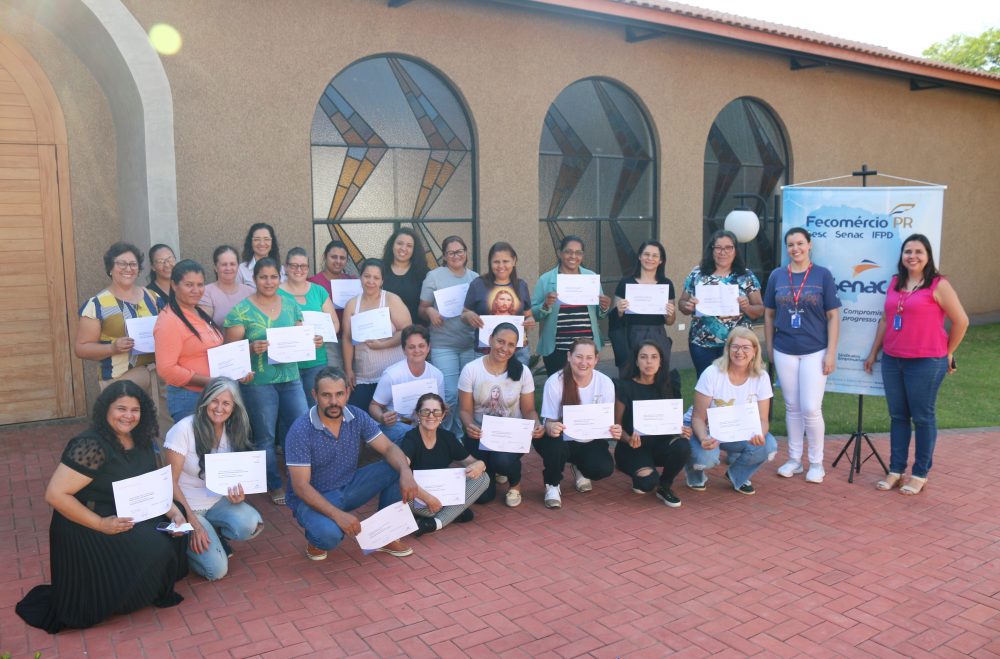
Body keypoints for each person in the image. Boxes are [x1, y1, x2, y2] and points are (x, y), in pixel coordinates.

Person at [15, 381, 189, 633]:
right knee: (154, 545)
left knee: (175, 524)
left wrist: (174, 513)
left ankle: (136, 589)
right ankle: (115, 596)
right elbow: (55, 495)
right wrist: (101, 524)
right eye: (121, 408)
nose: (128, 416)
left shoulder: (142, 440)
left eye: (135, 409)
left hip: (128, 510)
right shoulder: (91, 445)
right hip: (87, 520)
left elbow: (153, 486)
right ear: (106, 409)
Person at [864, 234, 968, 495]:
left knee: (922, 417)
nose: (912, 256)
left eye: (918, 251)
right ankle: (896, 470)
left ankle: (920, 473)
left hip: (925, 362)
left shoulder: (938, 284)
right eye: (908, 251)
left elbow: (961, 321)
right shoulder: (895, 282)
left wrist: (948, 352)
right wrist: (874, 351)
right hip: (892, 359)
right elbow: (887, 320)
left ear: (928, 255)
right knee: (898, 417)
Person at [285, 367, 419, 560]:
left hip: (349, 486)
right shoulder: (301, 430)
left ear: (347, 393)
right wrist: (338, 516)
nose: (333, 402)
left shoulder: (357, 416)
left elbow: (389, 448)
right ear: (315, 395)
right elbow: (301, 487)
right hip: (313, 498)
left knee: (397, 465)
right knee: (329, 536)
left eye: (339, 394)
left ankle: (386, 535)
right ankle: (316, 539)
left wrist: (406, 472)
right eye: (326, 395)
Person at [224, 258, 317, 505]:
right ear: (254, 280)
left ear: (280, 278)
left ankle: (301, 482)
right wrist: (250, 347)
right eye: (263, 277)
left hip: (291, 377)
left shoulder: (290, 305)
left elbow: (299, 339)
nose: (269, 282)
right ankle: (274, 483)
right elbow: (230, 351)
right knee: (265, 436)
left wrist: (311, 342)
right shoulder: (240, 311)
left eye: (274, 277)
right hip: (259, 383)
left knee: (299, 429)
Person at [164, 377, 263, 581]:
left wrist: (238, 496)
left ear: (234, 407)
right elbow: (168, 482)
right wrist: (194, 524)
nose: (219, 408)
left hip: (217, 501)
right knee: (216, 571)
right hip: (187, 508)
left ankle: (213, 534)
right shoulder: (184, 429)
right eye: (214, 401)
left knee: (251, 524)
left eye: (226, 403)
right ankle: (185, 543)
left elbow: (234, 475)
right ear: (204, 401)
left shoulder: (234, 430)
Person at [764, 228, 842, 484]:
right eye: (790, 244)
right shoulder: (777, 275)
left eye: (800, 243)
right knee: (792, 406)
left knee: (810, 407)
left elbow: (833, 315)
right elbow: (769, 314)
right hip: (785, 349)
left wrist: (831, 352)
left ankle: (816, 462)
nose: (795, 248)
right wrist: (770, 347)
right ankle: (795, 460)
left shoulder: (822, 275)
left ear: (809, 245)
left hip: (815, 350)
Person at [74, 242, 172, 435]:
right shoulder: (97, 304)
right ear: (110, 268)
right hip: (120, 380)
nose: (128, 269)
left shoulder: (152, 297)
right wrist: (113, 347)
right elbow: (81, 348)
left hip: (157, 378)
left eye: (133, 264)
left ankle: (162, 466)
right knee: (124, 435)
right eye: (121, 264)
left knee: (162, 431)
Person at [458, 322, 544, 507]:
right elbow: (465, 410)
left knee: (502, 460)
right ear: (490, 339)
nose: (504, 348)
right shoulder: (471, 370)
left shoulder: (523, 372)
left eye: (511, 344)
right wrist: (469, 425)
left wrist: (536, 423)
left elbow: (528, 410)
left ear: (516, 347)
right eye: (500, 341)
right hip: (480, 435)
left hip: (511, 436)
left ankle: (515, 484)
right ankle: (496, 470)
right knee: (483, 497)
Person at [685, 327, 777, 495]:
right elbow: (698, 417)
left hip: (737, 430)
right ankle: (695, 472)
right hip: (705, 428)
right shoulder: (712, 373)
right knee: (705, 459)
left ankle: (737, 475)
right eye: (735, 347)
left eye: (745, 347)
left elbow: (763, 419)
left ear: (755, 350)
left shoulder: (762, 377)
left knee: (768, 446)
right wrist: (704, 438)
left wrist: (760, 435)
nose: (739, 352)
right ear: (727, 349)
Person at [536, 338, 621, 509]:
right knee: (554, 445)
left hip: (590, 439)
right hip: (562, 439)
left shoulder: (605, 383)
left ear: (596, 360)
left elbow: (606, 420)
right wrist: (551, 426)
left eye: (589, 358)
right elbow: (549, 420)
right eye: (579, 357)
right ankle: (552, 484)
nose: (584, 362)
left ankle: (580, 467)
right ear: (569, 356)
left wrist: (614, 429)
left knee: (603, 468)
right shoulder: (555, 382)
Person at [614, 341, 691, 507]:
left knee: (683, 445)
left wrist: (681, 430)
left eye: (654, 357)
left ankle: (665, 485)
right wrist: (628, 439)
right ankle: (642, 474)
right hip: (633, 447)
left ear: (660, 361)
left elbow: (674, 421)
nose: (649, 362)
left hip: (661, 445)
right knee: (647, 483)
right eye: (643, 357)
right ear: (636, 361)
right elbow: (616, 426)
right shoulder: (625, 387)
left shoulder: (670, 385)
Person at [400, 393, 490, 536]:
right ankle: (448, 516)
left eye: (436, 412)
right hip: (419, 496)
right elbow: (402, 471)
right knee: (401, 498)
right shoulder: (411, 438)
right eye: (425, 411)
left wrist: (480, 464)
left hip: (444, 493)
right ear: (418, 415)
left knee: (483, 478)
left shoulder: (447, 438)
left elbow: (472, 462)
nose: (431, 416)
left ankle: (433, 522)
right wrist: (428, 498)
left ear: (442, 416)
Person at [678, 230, 764, 377]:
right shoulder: (697, 274)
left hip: (737, 345)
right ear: (711, 250)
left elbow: (760, 309)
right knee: (707, 382)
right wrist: (688, 306)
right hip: (702, 343)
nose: (722, 252)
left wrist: (747, 307)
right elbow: (682, 303)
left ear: (735, 250)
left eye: (728, 247)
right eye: (718, 247)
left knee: (735, 382)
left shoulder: (746, 276)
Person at [419, 235, 479, 438]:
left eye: (459, 251)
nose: (456, 256)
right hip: (444, 344)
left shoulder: (475, 278)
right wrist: (430, 312)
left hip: (470, 344)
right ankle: (444, 436)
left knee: (467, 395)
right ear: (444, 256)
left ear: (466, 253)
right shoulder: (434, 276)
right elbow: (422, 308)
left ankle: (461, 437)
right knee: (450, 395)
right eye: (451, 252)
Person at [154, 260, 228, 422]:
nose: (196, 290)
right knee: (194, 447)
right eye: (189, 285)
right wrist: (208, 381)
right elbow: (166, 370)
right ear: (174, 285)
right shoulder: (169, 321)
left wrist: (237, 372)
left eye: (200, 285)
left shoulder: (198, 311)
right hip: (189, 398)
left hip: (213, 394)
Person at [532, 236, 612, 376]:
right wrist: (545, 305)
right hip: (557, 350)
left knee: (585, 392)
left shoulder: (590, 277)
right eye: (568, 252)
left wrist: (604, 307)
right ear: (559, 253)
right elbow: (533, 313)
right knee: (559, 392)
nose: (573, 256)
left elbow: (599, 314)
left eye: (578, 252)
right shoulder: (546, 279)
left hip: (586, 350)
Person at [341, 258, 412, 410]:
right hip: (364, 375)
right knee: (355, 413)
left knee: (393, 419)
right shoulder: (352, 304)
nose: (370, 281)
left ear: (382, 281)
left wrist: (383, 345)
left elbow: (407, 331)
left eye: (376, 277)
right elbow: (347, 338)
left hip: (393, 374)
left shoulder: (392, 300)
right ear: (360, 277)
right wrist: (348, 369)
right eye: (367, 276)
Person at [279, 247, 339, 407]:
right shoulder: (276, 293)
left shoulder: (319, 291)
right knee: (293, 412)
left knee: (316, 408)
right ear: (285, 267)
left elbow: (335, 323)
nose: (299, 270)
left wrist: (323, 337)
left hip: (316, 362)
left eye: (303, 266)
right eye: (294, 265)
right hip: (288, 365)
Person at [462, 242, 536, 365]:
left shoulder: (522, 285)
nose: (501, 266)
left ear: (514, 261)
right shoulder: (478, 284)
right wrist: (468, 315)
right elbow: (464, 314)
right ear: (490, 263)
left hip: (518, 352)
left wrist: (530, 321)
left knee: (516, 384)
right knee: (485, 384)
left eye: (505, 261)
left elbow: (528, 315)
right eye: (496, 262)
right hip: (485, 350)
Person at [369, 325, 445, 443]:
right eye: (411, 347)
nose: (417, 351)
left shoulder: (437, 374)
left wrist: (443, 411)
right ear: (404, 349)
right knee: (411, 434)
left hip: (425, 422)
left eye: (421, 346)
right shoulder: (392, 375)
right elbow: (374, 406)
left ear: (428, 347)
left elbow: (440, 407)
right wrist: (382, 418)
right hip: (397, 425)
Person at [611, 240, 677, 376]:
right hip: (631, 335)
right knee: (630, 375)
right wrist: (619, 310)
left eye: (655, 256)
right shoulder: (626, 282)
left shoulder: (666, 284)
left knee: (658, 376)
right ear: (639, 256)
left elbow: (670, 321)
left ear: (660, 261)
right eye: (646, 254)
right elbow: (614, 315)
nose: (650, 259)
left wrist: (670, 313)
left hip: (657, 334)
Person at [309, 239, 356, 370]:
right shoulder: (313, 283)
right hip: (328, 342)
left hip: (353, 339)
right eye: (334, 257)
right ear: (325, 256)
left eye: (342, 258)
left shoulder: (353, 281)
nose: (338, 261)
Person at [381, 227, 429, 326]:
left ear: (414, 249)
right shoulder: (380, 269)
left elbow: (428, 305)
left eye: (409, 245)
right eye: (399, 243)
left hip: (415, 332)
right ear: (392, 245)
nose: (403, 248)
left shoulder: (424, 273)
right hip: (384, 331)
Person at [200, 245, 254, 326]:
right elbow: (204, 324)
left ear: (238, 266)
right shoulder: (205, 293)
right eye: (224, 264)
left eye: (232, 264)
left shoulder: (250, 292)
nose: (228, 268)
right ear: (215, 267)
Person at [237, 222, 285, 288]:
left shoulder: (281, 269)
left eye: (266, 239)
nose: (262, 243)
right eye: (257, 239)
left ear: (272, 242)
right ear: (250, 242)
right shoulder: (241, 270)